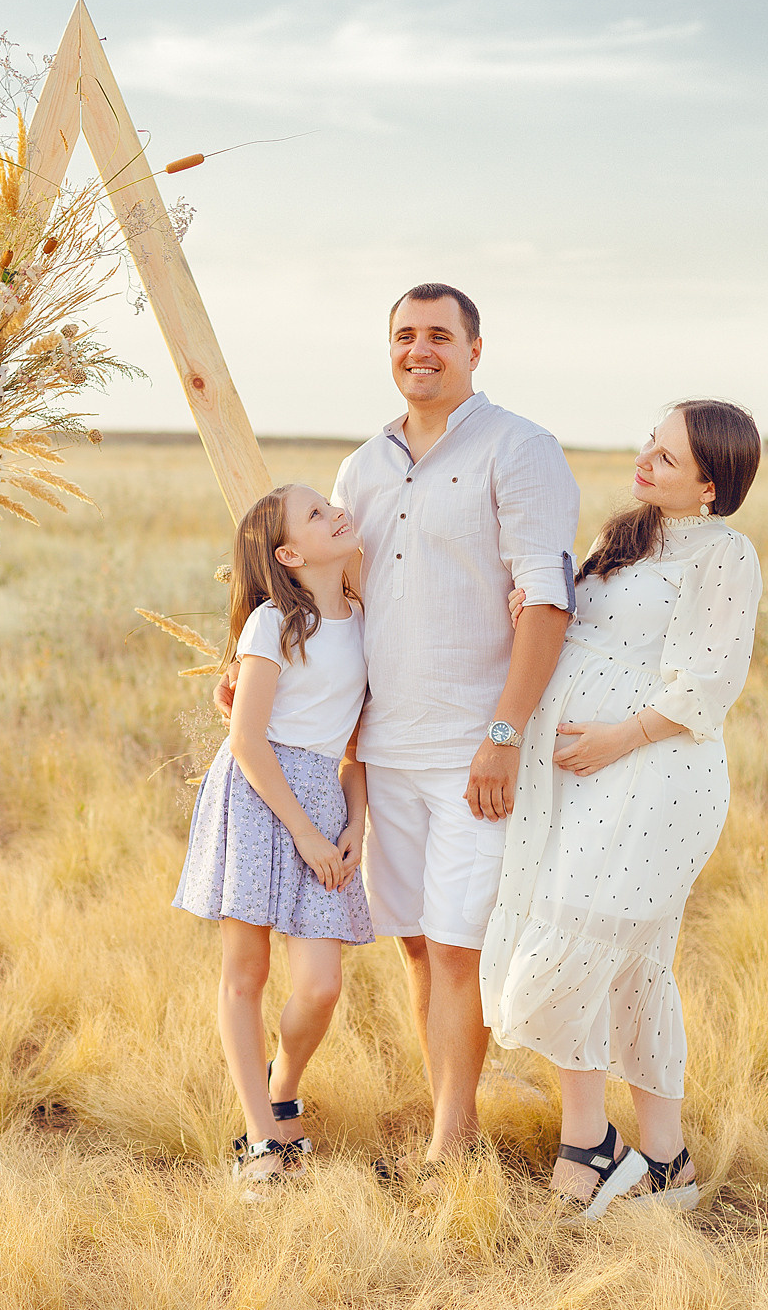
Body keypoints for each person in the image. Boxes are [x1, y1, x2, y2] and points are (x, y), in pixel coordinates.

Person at [217, 284, 580, 1171]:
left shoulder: (520, 449)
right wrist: (249, 664)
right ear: (390, 349)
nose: (422, 350)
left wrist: (504, 734)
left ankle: (449, 1155)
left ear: (474, 349)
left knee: (459, 947)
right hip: (378, 753)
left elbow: (546, 599)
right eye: (405, 336)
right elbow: (323, 593)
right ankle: (443, 1125)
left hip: (474, 750)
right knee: (417, 943)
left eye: (440, 336)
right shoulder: (360, 469)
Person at [482, 400, 763, 1217]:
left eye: (668, 458)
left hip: (653, 774)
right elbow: (581, 632)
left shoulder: (724, 554)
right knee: (628, 963)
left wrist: (616, 738)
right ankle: (664, 1161)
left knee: (580, 945)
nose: (645, 459)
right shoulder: (624, 535)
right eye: (651, 442)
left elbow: (709, 682)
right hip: (577, 774)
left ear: (712, 483)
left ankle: (590, 1147)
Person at [174, 483, 374, 1199]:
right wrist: (306, 834)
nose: (336, 513)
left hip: (326, 795)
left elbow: (356, 750)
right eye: (317, 515)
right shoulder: (273, 623)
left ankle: (280, 1089)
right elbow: (247, 740)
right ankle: (259, 1138)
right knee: (247, 972)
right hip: (260, 799)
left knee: (320, 986)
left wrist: (353, 826)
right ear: (289, 554)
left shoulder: (362, 620)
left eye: (330, 504)